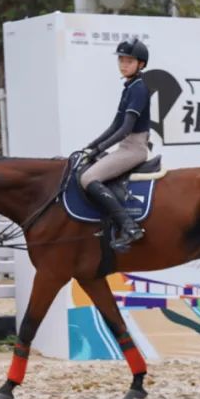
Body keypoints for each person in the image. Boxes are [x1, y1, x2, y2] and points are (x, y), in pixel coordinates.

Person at [79, 38, 152, 251]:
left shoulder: (139, 88)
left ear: (141, 64)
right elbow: (114, 126)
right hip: (125, 146)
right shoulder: (129, 87)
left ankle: (130, 227)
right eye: (121, 59)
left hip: (134, 148)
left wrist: (99, 149)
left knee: (88, 178)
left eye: (129, 61)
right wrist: (91, 146)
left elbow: (126, 129)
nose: (123, 64)